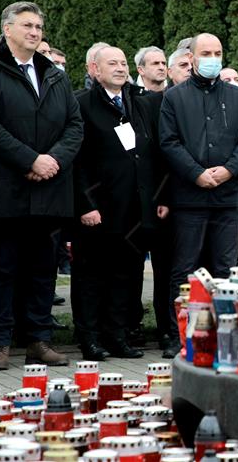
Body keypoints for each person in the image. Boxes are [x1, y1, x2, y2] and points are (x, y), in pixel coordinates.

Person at [0, 1, 84, 370]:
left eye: (39, 26)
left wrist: (52, 160)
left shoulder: (55, 75)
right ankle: (0, 343)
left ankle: (39, 340)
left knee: (41, 268)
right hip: (5, 190)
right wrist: (30, 159)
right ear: (7, 29)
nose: (35, 32)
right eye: (27, 25)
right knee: (0, 269)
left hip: (49, 189)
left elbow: (74, 126)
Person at [160, 33, 238, 357]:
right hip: (190, 197)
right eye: (206, 52)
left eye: (217, 52)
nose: (213, 57)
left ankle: (225, 334)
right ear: (193, 56)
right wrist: (196, 173)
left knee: (226, 268)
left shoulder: (236, 96)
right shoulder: (174, 97)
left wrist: (228, 169)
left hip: (228, 197)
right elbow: (169, 142)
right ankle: (180, 335)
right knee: (185, 269)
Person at [72, 46, 168, 360]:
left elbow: (150, 154)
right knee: (91, 275)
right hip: (99, 207)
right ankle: (90, 337)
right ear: (93, 69)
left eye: (123, 62)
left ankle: (117, 335)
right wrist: (86, 204)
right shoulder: (82, 104)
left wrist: (158, 198)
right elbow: (78, 160)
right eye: (111, 63)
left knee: (125, 274)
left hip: (134, 207)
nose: (119, 68)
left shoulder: (136, 102)